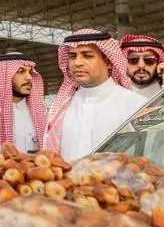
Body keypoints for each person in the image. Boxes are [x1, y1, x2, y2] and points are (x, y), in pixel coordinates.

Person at [44, 30, 146, 161]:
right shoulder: (60, 110)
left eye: (87, 55)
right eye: (72, 56)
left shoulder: (136, 105)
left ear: (108, 62)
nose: (77, 63)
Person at [0, 52, 46, 153]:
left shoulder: (42, 114)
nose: (29, 77)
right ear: (4, 76)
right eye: (21, 71)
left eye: (30, 72)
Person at [119, 34, 164, 99]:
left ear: (159, 62)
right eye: (133, 60)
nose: (141, 65)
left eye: (149, 60)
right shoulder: (115, 90)